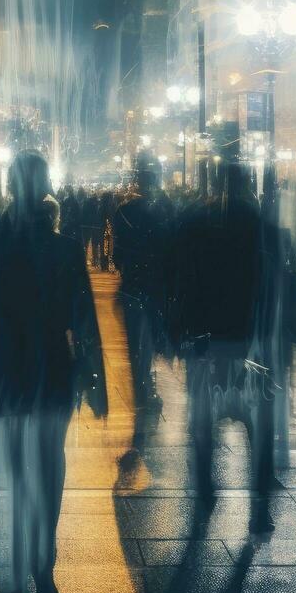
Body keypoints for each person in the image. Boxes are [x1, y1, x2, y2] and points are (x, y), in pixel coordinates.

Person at [0, 150, 106, 593]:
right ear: (44, 188)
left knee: (14, 477)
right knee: (48, 472)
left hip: (7, 375)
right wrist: (96, 379)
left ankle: (17, 571)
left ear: (8, 185)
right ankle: (44, 567)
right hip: (53, 373)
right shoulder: (64, 249)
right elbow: (84, 319)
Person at [169, 161, 277, 537]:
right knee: (257, 426)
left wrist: (179, 327)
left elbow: (183, 279)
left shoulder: (197, 222)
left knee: (202, 419)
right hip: (246, 339)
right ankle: (259, 503)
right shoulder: (258, 224)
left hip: (205, 338)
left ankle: (205, 491)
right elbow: (270, 283)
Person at [111, 166, 173, 427]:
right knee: (155, 334)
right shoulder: (166, 209)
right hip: (159, 284)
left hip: (133, 284)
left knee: (135, 339)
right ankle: (149, 375)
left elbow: (118, 253)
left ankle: (140, 383)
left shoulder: (124, 212)